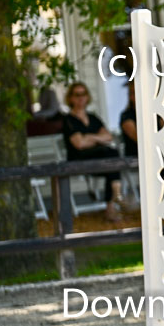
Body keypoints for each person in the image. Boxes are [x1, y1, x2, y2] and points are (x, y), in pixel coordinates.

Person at [61, 82, 128, 222]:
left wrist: (88, 137)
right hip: (79, 160)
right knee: (112, 158)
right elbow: (78, 144)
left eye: (83, 94)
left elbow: (108, 137)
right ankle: (115, 199)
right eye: (77, 95)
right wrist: (97, 138)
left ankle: (112, 203)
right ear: (71, 98)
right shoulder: (69, 120)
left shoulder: (92, 117)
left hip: (98, 157)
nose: (81, 98)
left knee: (112, 157)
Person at [119, 80, 138, 158]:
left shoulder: (156, 113)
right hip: (136, 159)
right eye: (132, 93)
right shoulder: (127, 116)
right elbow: (137, 138)